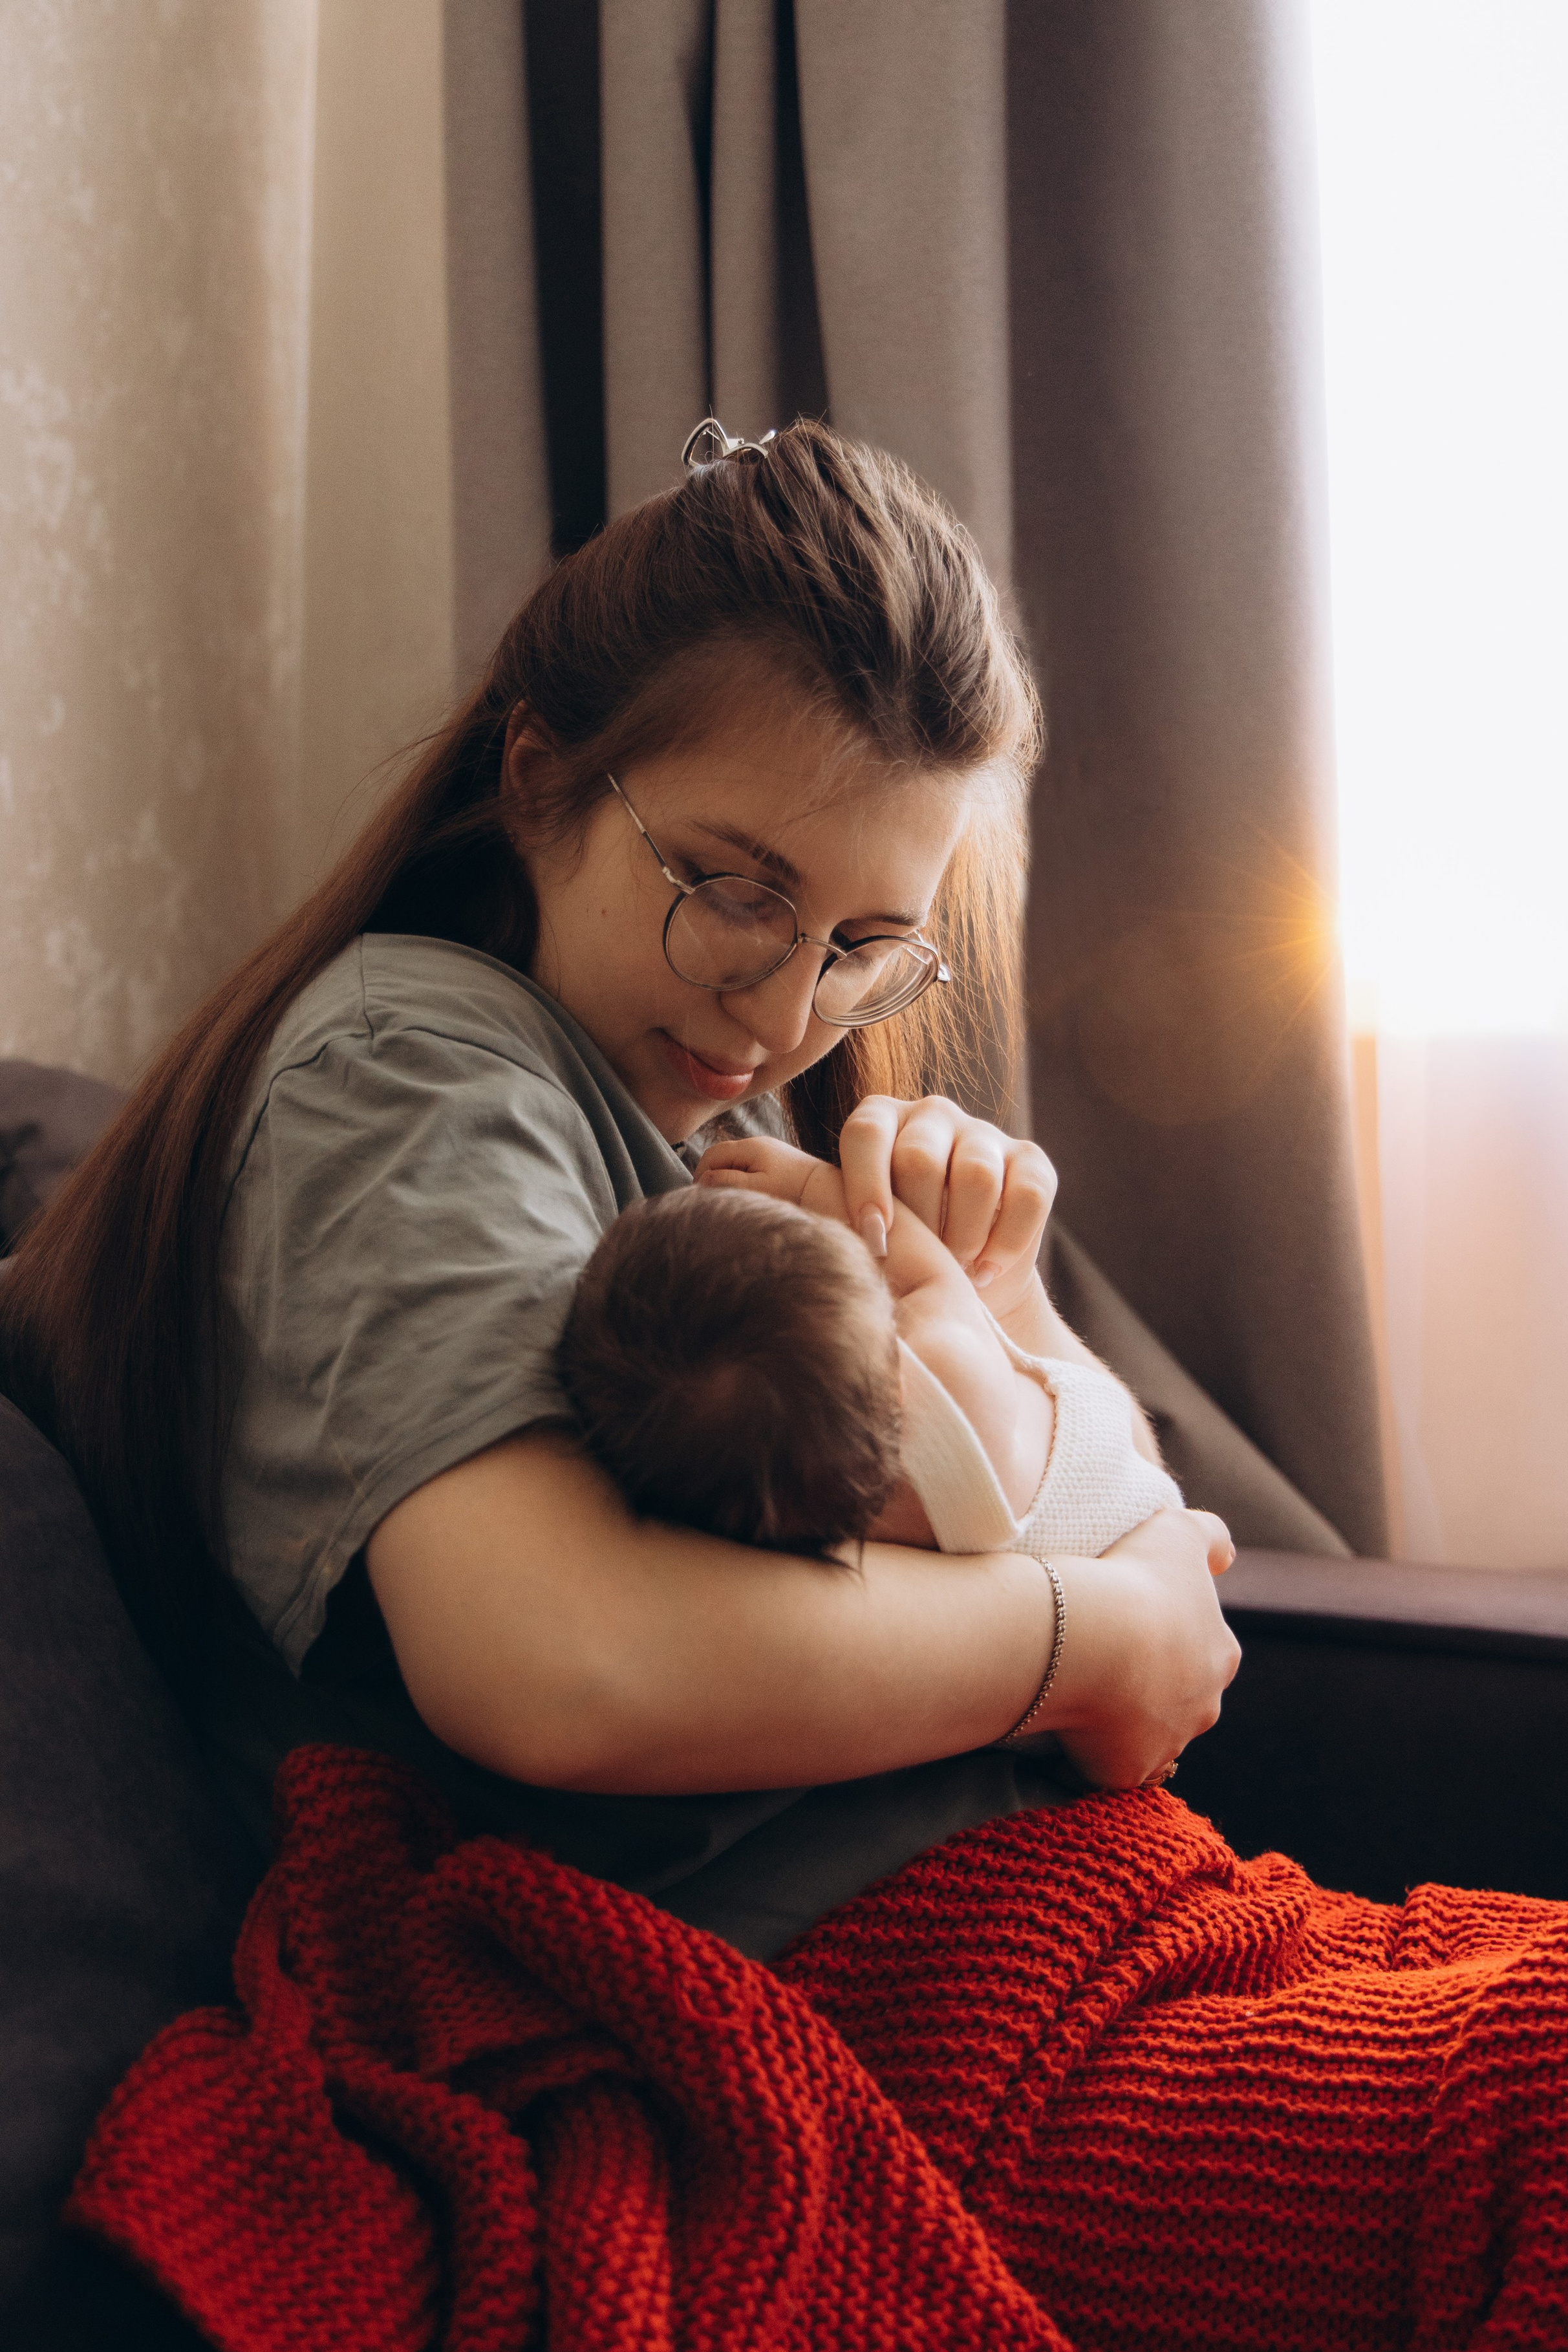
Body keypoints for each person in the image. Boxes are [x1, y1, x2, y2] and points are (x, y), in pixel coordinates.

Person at [0, 416, 1239, 1962]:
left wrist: (1004, 1307)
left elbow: (1122, 1507)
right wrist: (1097, 1637)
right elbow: (555, 1662)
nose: (789, 1013)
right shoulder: (409, 1078)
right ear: (539, 777)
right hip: (854, 1995)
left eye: (863, 943)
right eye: (734, 890)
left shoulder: (717, 1090)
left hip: (1077, 1923)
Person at [557, 1135, 1182, 1567]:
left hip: (1080, 1567)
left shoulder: (805, 1515)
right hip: (1128, 1488)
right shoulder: (944, 1368)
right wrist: (808, 1183)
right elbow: (932, 1274)